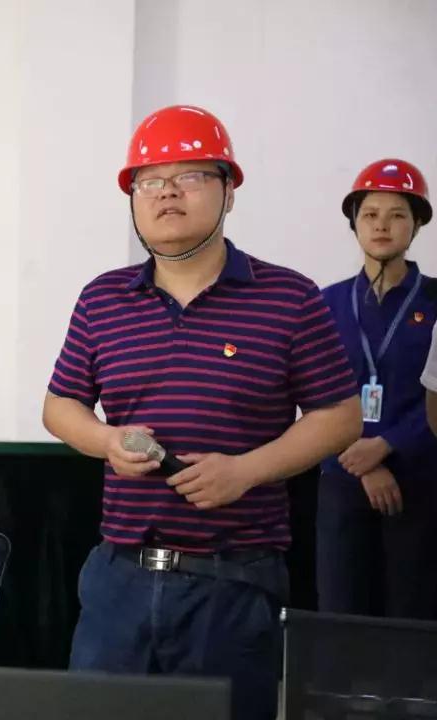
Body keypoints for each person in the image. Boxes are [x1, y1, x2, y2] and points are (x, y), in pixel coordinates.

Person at [41, 105, 361, 720]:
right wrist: (105, 441)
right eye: (149, 181)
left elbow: (340, 416)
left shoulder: (288, 296)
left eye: (189, 176)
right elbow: (61, 406)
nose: (166, 192)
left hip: (234, 583)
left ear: (228, 191)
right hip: (119, 579)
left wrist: (245, 471)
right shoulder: (103, 298)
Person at [318, 158, 437, 619]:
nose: (382, 225)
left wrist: (388, 444)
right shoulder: (325, 303)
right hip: (342, 477)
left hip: (419, 478)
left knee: (411, 615)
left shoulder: (434, 301)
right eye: (370, 214)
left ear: (416, 225)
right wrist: (362, 461)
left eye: (396, 215)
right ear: (355, 223)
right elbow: (313, 392)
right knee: (340, 612)